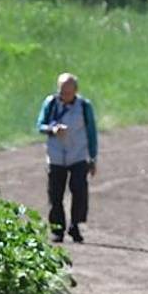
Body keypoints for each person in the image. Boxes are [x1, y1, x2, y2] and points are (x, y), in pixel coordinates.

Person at [36, 73, 98, 243]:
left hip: (78, 155)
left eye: (68, 93)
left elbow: (92, 133)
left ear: (76, 91)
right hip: (56, 155)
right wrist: (52, 130)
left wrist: (92, 158)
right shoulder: (50, 103)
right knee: (55, 194)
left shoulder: (84, 107)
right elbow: (39, 125)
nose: (64, 96)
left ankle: (75, 226)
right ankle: (57, 229)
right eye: (62, 92)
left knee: (79, 191)